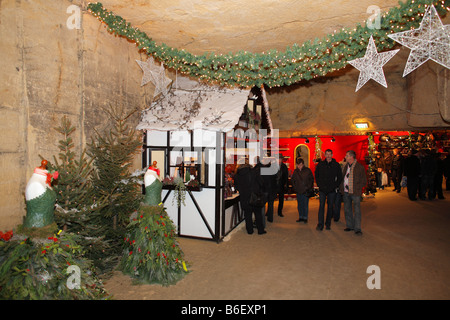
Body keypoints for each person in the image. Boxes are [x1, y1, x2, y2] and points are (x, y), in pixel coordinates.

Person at [234, 159, 266, 235]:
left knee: (247, 214)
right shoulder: (254, 172)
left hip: (244, 197)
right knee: (258, 214)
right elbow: (261, 182)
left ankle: (249, 230)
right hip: (254, 196)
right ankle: (260, 230)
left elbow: (237, 187)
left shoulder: (237, 175)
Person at [339, 150, 367, 236]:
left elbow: (364, 180)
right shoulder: (345, 166)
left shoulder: (359, 167)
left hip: (355, 192)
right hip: (346, 192)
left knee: (357, 210)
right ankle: (349, 225)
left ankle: (357, 228)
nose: (345, 157)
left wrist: (358, 188)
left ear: (351, 157)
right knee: (347, 209)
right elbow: (342, 178)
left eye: (347, 156)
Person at [314, 149, 343, 231]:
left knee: (330, 207)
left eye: (330, 154)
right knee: (321, 206)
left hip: (332, 190)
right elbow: (317, 175)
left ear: (332, 155)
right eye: (326, 154)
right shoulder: (320, 164)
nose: (328, 156)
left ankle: (328, 224)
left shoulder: (336, 165)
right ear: (325, 155)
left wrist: (335, 185)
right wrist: (319, 185)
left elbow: (340, 177)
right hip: (322, 189)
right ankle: (320, 224)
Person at [291, 157, 314, 223]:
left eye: (300, 164)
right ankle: (300, 217)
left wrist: (308, 187)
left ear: (303, 164)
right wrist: (295, 188)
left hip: (305, 191)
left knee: (305, 205)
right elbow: (293, 181)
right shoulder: (295, 171)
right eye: (298, 165)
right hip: (298, 191)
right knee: (299, 205)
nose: (299, 166)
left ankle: (305, 217)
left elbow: (311, 180)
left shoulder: (308, 170)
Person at [332, 157, 346, 222]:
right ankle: (333, 214)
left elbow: (341, 180)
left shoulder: (339, 172)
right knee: (331, 203)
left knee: (337, 203)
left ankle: (336, 217)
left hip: (338, 189)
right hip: (331, 190)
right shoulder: (329, 172)